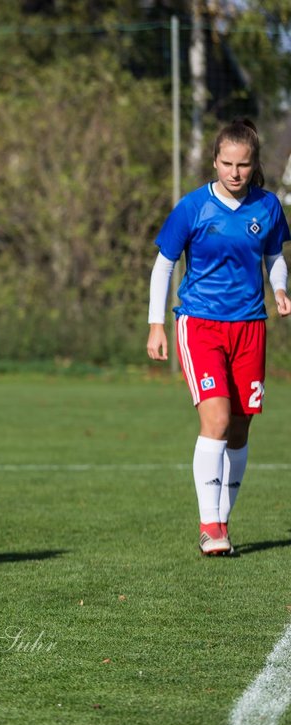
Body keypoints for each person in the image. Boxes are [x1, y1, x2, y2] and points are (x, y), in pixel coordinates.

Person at [146, 118, 290, 556]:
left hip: (250, 326)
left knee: (242, 427)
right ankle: (210, 526)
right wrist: (157, 324)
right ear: (214, 161)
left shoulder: (267, 207)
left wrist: (280, 288)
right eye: (226, 163)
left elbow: (274, 257)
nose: (234, 172)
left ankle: (222, 520)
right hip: (200, 324)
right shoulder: (192, 208)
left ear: (254, 164)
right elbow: (164, 265)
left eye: (243, 165)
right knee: (217, 421)